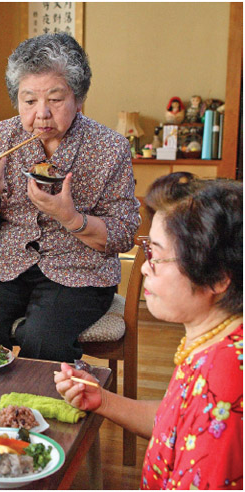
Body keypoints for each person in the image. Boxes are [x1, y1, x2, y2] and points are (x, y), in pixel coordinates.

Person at [0, 32, 140, 362]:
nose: (42, 113)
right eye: (29, 101)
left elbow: (122, 234)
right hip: (5, 265)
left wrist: (71, 218)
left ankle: (37, 412)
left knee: (42, 339)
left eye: (55, 99)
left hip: (80, 270)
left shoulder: (110, 147)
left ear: (78, 99)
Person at [55, 173, 242, 489]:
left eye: (155, 255)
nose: (144, 267)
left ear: (217, 278)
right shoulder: (216, 341)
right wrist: (102, 400)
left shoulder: (225, 380)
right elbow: (177, 425)